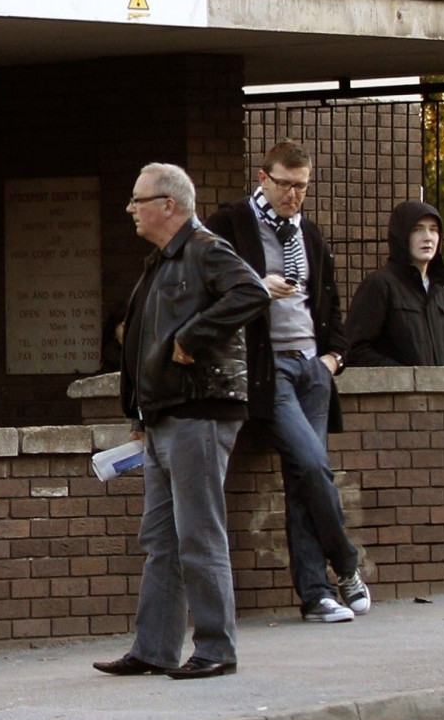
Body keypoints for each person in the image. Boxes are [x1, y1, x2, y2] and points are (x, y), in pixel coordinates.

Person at [93, 163, 270, 680]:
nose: (130, 209)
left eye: (137, 199)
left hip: (200, 412)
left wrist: (194, 336)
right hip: (167, 416)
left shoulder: (205, 249)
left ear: (168, 204)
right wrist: (139, 415)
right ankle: (154, 648)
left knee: (198, 534)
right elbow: (143, 345)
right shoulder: (163, 261)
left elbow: (252, 293)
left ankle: (216, 648)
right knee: (162, 539)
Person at [206, 139, 371, 624]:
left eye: (302, 186)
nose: (294, 196)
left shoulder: (309, 234)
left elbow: (330, 305)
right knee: (313, 464)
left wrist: (333, 359)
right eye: (285, 185)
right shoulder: (231, 223)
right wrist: (258, 283)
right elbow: (209, 283)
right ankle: (346, 563)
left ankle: (317, 595)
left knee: (303, 478)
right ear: (263, 177)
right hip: (267, 368)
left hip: (311, 369)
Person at [346, 200, 444, 366]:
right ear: (402, 235)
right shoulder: (380, 284)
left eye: (433, 230)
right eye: (417, 230)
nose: (428, 238)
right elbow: (355, 349)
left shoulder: (443, 290)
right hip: (398, 390)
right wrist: (403, 377)